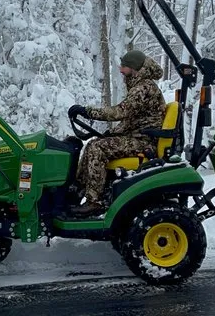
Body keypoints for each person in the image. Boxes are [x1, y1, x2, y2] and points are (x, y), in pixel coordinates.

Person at [71, 50, 166, 216]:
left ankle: (95, 202)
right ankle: (77, 191)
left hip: (143, 141)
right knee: (93, 144)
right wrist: (112, 133)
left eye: (125, 67)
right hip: (137, 135)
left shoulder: (143, 88)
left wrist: (88, 112)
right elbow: (132, 120)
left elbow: (120, 112)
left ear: (135, 68)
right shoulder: (140, 85)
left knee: (98, 149)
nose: (121, 70)